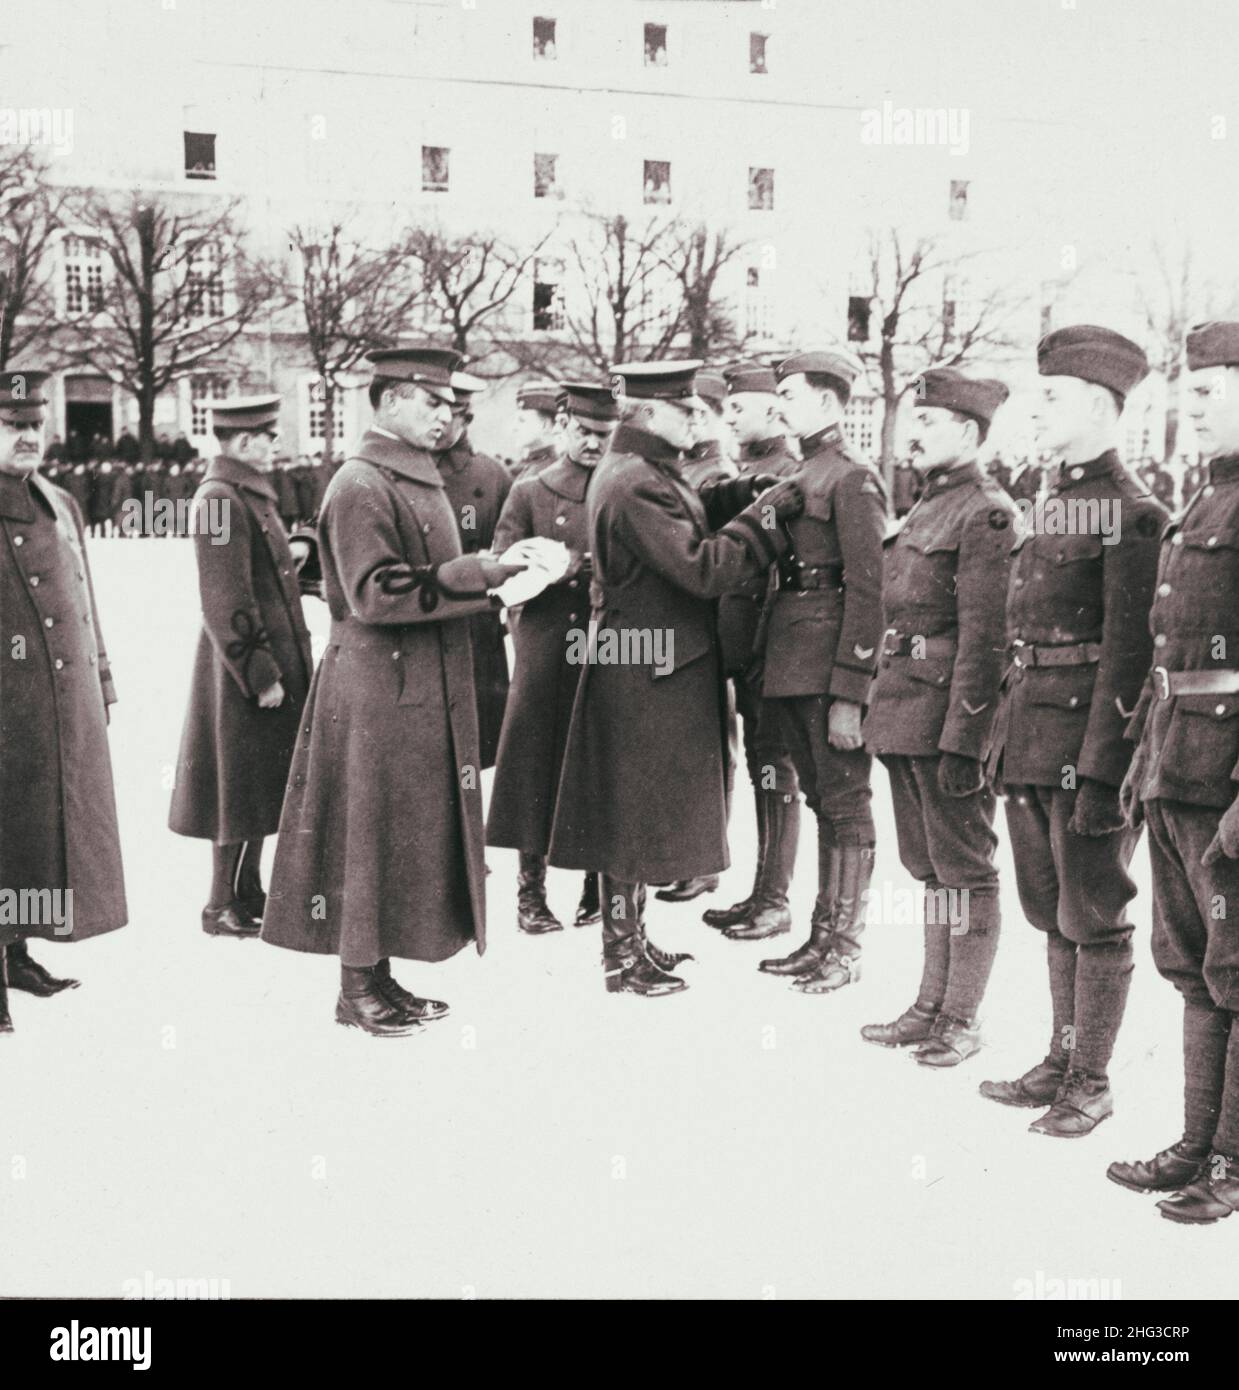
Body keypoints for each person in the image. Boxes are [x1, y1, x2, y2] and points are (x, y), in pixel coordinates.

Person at [260, 347, 530, 1036]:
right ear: (386, 403)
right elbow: (374, 592)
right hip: (377, 687)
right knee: (366, 833)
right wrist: (481, 573)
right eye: (429, 401)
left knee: (402, 833)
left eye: (449, 405)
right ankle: (354, 987)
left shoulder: (410, 475)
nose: (444, 416)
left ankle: (376, 972)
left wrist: (493, 572)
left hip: (413, 685)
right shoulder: (360, 483)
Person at [547, 359, 804, 997]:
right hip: (646, 670)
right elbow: (702, 567)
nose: (698, 417)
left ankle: (629, 938)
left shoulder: (641, 470)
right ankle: (620, 956)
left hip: (647, 663)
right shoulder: (637, 481)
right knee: (630, 815)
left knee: (634, 809)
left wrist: (740, 494)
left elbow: (688, 510)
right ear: (649, 415)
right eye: (685, 409)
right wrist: (767, 517)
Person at [979, 325, 1167, 1137]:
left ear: (1098, 404)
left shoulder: (1134, 511)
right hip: (1029, 737)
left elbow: (1127, 657)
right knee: (1048, 906)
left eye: (1049, 398)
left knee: (1093, 910)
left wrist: (1101, 771)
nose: (1034, 412)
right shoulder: (1053, 501)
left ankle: (1090, 1078)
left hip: (1084, 748)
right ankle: (1059, 1059)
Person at [1111, 320, 1239, 1222]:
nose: (1186, 409)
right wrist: (1142, 758)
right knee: (1190, 963)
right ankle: (1198, 1141)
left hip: (1225, 775)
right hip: (1177, 758)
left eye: (1204, 393)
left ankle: (1231, 1162)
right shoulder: (1208, 497)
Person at [860, 368, 1016, 1065]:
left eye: (926, 423)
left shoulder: (985, 512)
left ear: (966, 432)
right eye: (911, 421)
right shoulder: (926, 506)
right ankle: (929, 1003)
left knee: (965, 870)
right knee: (927, 868)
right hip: (902, 710)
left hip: (945, 718)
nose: (911, 433)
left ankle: (961, 1017)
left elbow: (986, 640)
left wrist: (966, 739)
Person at [756, 349, 887, 994]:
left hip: (826, 667)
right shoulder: (803, 470)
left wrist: (850, 694)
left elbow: (869, 591)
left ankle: (846, 945)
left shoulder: (851, 479)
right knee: (821, 803)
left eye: (790, 392)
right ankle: (821, 937)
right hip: (791, 659)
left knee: (846, 805)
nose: (778, 402)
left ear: (830, 403)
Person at [0, 370, 127, 1032]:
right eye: (11, 426)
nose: (27, 437)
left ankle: (15, 949)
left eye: (33, 427)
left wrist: (100, 677)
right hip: (7, 705)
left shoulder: (57, 499)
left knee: (40, 832)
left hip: (59, 700)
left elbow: (85, 598)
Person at [168, 395, 314, 937]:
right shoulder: (221, 499)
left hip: (264, 663)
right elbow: (224, 597)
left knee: (257, 781)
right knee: (236, 784)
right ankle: (219, 905)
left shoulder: (244, 494)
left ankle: (248, 891)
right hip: (242, 671)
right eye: (269, 438)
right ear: (246, 442)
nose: (275, 447)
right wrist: (261, 674)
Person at [487, 382, 618, 934]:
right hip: (545, 639)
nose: (592, 443)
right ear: (563, 426)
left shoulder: (623, 487)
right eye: (583, 432)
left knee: (595, 758)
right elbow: (499, 565)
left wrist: (586, 566)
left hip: (605, 640)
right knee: (531, 762)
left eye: (602, 434)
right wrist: (547, 569)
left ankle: (596, 888)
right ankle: (530, 893)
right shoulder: (531, 490)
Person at [703, 360, 802, 942]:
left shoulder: (785, 473)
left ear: (774, 410)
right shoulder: (748, 470)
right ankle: (761, 893)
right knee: (766, 770)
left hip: (769, 649)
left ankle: (774, 899)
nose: (729, 415)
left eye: (740, 407)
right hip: (742, 648)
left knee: (776, 772)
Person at [656, 367, 737, 903]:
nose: (695, 421)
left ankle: (706, 862)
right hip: (694, 612)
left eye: (700, 412)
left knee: (716, 745)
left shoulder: (714, 469)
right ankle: (690, 857)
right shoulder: (682, 468)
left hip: (721, 609)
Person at [434, 371, 514, 771]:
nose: (438, 423)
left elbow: (516, 546)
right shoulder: (397, 470)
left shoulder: (491, 475)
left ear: (465, 417)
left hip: (477, 630)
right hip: (423, 623)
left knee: (474, 756)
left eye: (448, 413)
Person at [510, 382, 561, 482]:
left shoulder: (548, 472)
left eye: (521, 420)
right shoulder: (531, 467)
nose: (514, 428)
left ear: (544, 425)